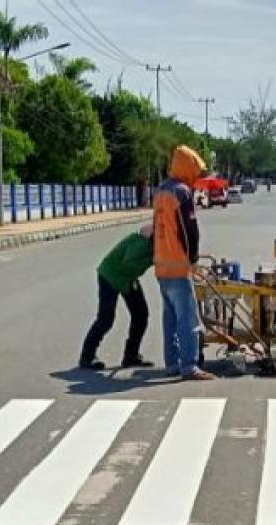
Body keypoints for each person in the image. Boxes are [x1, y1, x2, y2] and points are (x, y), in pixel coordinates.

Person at [153, 145, 215, 381]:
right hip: (178, 264)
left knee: (170, 318)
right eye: (196, 170)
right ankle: (189, 366)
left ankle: (171, 363)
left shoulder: (161, 191)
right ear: (188, 167)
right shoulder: (182, 192)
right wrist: (193, 259)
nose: (197, 176)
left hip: (161, 264)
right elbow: (189, 231)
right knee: (187, 317)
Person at [79, 225, 155, 370]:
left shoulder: (149, 241)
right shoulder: (141, 244)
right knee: (106, 319)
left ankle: (131, 356)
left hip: (127, 278)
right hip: (111, 275)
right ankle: (87, 357)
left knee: (140, 314)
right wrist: (151, 260)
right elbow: (128, 262)